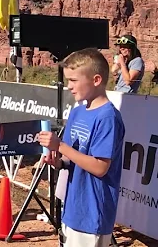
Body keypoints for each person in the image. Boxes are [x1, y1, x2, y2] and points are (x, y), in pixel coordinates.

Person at [37, 48, 124, 247]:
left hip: (92, 214)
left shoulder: (108, 118)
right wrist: (57, 161)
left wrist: (59, 145)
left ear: (96, 80)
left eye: (74, 80)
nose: (69, 86)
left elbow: (100, 167)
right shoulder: (77, 113)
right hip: (73, 208)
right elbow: (71, 159)